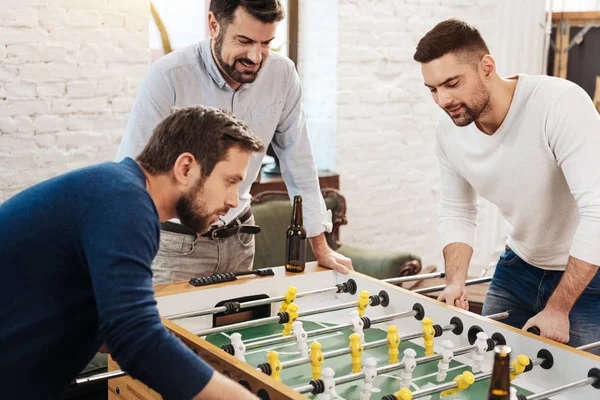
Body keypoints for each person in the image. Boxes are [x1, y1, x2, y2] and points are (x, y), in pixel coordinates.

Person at [0, 105, 264, 399]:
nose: (233, 201)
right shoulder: (125, 204)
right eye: (230, 182)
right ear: (185, 167)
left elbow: (112, 330)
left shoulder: (119, 192)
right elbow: (135, 339)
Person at [116, 0, 353, 284]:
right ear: (214, 25)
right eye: (244, 40)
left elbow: (297, 157)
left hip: (240, 239)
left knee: (241, 329)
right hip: (175, 246)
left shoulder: (283, 75)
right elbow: (135, 171)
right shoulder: (169, 75)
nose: (255, 56)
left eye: (266, 43)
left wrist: (320, 245)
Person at [413, 19, 600, 353]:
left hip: (587, 279)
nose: (442, 100)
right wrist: (455, 280)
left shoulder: (560, 104)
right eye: (432, 89)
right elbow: (458, 209)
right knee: (490, 372)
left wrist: (558, 309)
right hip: (518, 266)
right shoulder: (448, 131)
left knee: (574, 387)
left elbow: (598, 210)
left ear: (487, 66)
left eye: (452, 83)